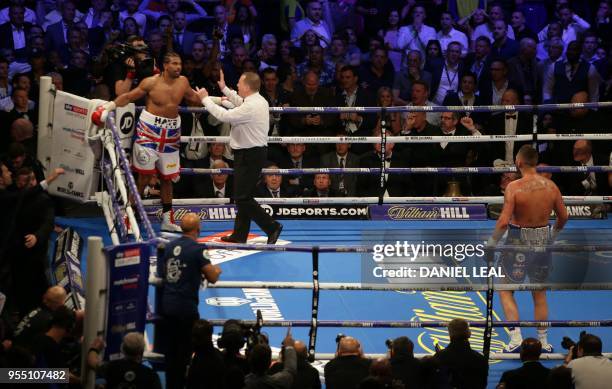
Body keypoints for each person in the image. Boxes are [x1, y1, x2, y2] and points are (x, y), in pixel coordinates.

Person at [92, 51, 204, 232]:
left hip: (171, 135)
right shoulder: (150, 83)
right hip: (148, 132)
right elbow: (128, 97)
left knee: (167, 179)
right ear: (165, 65)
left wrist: (221, 99)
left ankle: (168, 219)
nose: (178, 67)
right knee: (143, 177)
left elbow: (195, 99)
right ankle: (129, 216)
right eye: (174, 63)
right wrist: (107, 107)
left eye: (180, 64)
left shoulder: (183, 82)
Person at [487, 145, 568, 353]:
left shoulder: (514, 187)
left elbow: (504, 222)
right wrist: (552, 235)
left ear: (519, 162)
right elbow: (563, 217)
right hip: (542, 238)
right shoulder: (551, 186)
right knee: (539, 293)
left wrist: (491, 243)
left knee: (505, 289)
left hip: (518, 239)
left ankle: (515, 340)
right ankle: (543, 342)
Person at [195, 70, 283, 244]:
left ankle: (272, 226)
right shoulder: (258, 100)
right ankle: (240, 235)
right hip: (250, 153)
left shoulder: (251, 106)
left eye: (239, 83)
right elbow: (239, 102)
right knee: (244, 195)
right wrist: (224, 89)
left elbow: (224, 115)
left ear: (247, 86)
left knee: (242, 197)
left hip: (250, 154)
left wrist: (205, 98)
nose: (237, 85)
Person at [157, 213, 222, 389]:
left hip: (167, 305)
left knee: (171, 352)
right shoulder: (198, 249)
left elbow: (162, 273)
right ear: (198, 229)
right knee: (185, 351)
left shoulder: (170, 247)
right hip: (186, 308)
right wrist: (217, 269)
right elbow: (213, 277)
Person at [87, 332, 161, 389]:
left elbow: (92, 362)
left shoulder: (112, 367)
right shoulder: (151, 376)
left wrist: (94, 349)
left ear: (122, 349)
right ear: (141, 352)